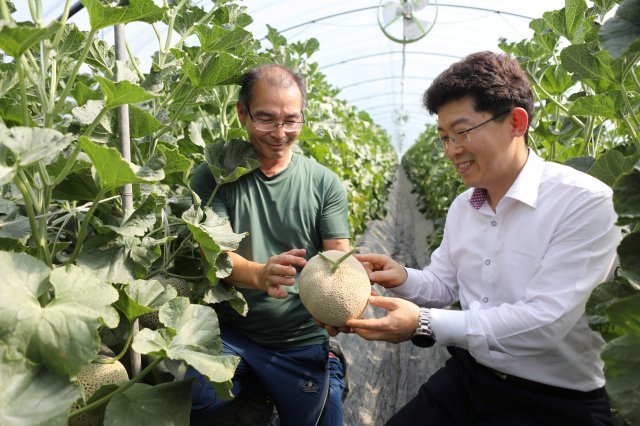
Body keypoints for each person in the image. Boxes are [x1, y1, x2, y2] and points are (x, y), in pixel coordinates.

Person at [340, 51, 621, 425]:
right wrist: (402, 277)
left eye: (463, 132)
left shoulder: (586, 202)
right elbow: (444, 284)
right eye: (444, 138)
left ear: (516, 123)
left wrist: (424, 323)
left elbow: (545, 322)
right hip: (471, 377)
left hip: (556, 403)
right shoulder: (463, 206)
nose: (452, 150)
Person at [188, 64, 350, 426]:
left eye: (291, 120)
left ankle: (329, 365)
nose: (280, 133)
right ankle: (253, 392)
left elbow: (338, 258)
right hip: (232, 334)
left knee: (325, 421)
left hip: (299, 340)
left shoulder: (325, 183)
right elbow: (214, 254)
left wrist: (341, 305)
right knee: (192, 402)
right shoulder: (215, 174)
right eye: (266, 119)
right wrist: (261, 275)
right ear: (242, 113)